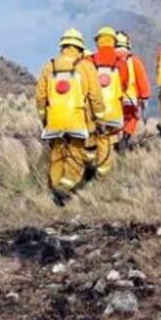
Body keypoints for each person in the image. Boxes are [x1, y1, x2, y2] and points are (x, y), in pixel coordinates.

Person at [35, 28, 106, 206]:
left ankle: (54, 188)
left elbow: (40, 98)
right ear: (79, 48)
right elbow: (95, 97)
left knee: (57, 153)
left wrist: (44, 118)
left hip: (55, 120)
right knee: (76, 154)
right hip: (76, 120)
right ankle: (65, 188)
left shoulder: (49, 66)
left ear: (63, 46)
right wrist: (99, 118)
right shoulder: (86, 67)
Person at [86, 26, 126, 177]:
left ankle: (87, 167)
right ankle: (103, 173)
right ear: (113, 42)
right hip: (113, 112)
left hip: (93, 112)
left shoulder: (89, 60)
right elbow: (124, 84)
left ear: (98, 42)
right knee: (106, 139)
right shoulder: (120, 62)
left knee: (90, 139)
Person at [115, 30, 150, 150]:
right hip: (130, 99)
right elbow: (142, 81)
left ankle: (114, 142)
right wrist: (144, 97)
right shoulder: (134, 61)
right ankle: (124, 139)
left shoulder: (107, 61)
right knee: (133, 118)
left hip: (112, 101)